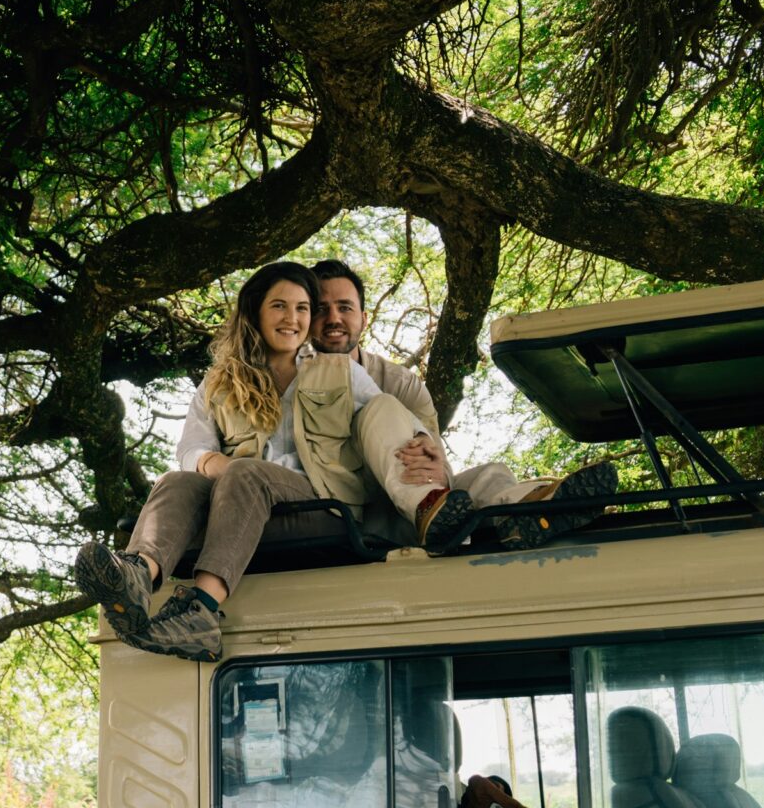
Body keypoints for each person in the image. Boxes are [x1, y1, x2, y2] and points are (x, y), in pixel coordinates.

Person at [75, 260, 447, 661]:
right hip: (241, 508)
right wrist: (212, 465)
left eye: (303, 308)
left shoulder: (340, 372)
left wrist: (425, 441)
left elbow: (389, 417)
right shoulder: (220, 380)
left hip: (321, 506)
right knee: (175, 481)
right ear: (255, 311)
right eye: (280, 306)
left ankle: (200, 610)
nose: (293, 318)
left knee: (247, 472)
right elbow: (189, 450)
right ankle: (136, 574)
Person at [309, 258, 616, 555]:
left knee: (490, 475)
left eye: (345, 307)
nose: (333, 318)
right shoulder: (296, 379)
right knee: (381, 408)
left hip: (415, 508)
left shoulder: (401, 382)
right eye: (321, 309)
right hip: (362, 515)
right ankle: (429, 505)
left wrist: (431, 460)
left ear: (364, 317)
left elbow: (436, 460)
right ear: (307, 319)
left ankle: (530, 509)